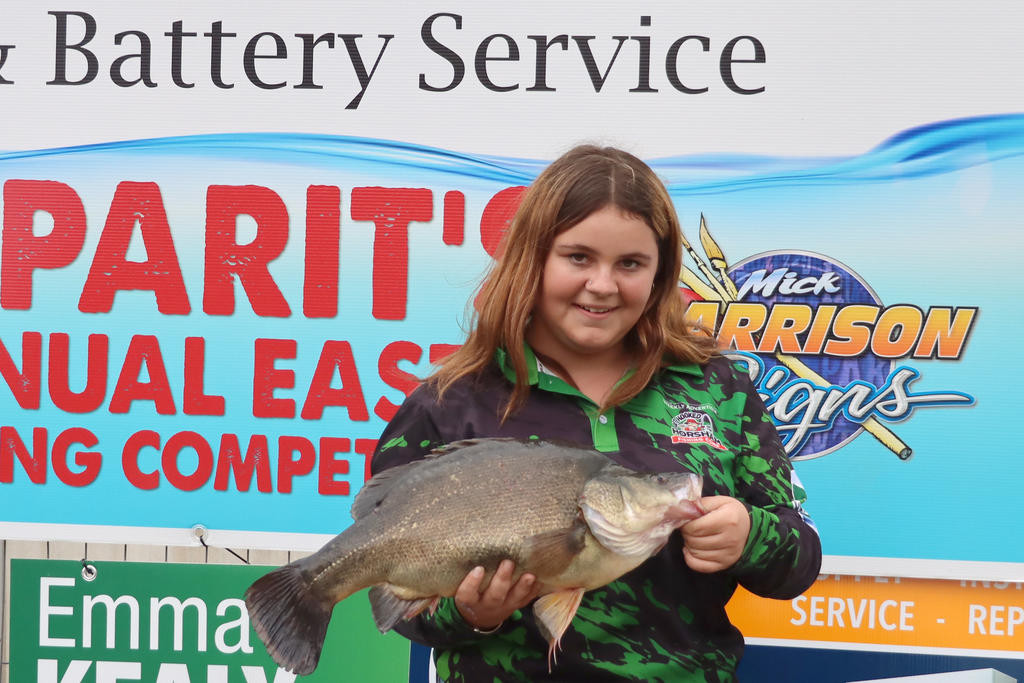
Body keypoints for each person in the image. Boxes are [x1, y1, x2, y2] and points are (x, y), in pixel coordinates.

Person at [371, 144, 821, 682]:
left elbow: (800, 560)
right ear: (531, 258)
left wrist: (751, 536)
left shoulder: (717, 389)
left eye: (630, 263)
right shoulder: (449, 404)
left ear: (659, 276)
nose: (603, 285)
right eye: (578, 257)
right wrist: (470, 613)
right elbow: (394, 593)